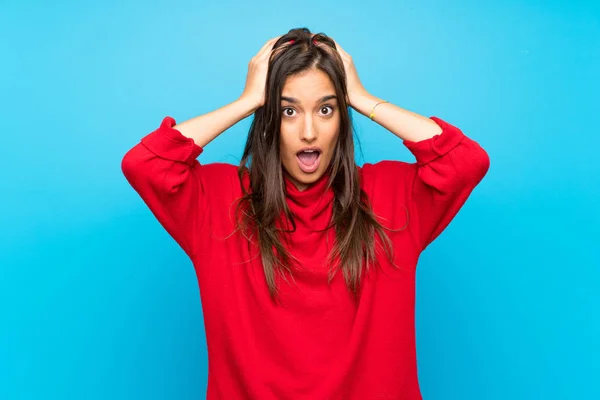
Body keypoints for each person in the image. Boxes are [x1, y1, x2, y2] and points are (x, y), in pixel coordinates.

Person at [121, 27, 490, 400]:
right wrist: (247, 101)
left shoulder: (391, 199)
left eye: (326, 109)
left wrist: (362, 98)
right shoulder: (219, 203)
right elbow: (146, 165)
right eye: (288, 111)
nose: (309, 131)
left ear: (342, 119)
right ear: (268, 119)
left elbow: (466, 162)